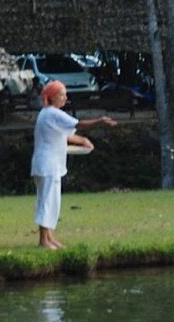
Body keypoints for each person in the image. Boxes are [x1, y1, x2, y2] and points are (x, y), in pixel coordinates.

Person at [31, 80, 117, 249]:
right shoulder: (52, 113)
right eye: (62, 95)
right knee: (47, 201)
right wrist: (101, 121)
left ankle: (49, 237)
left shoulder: (48, 114)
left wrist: (83, 141)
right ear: (53, 97)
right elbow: (79, 124)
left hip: (49, 164)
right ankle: (43, 240)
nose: (65, 98)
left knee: (52, 201)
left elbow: (65, 135)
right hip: (47, 165)